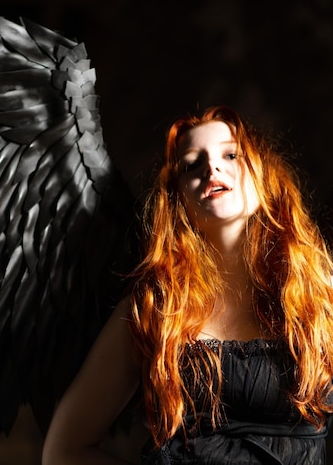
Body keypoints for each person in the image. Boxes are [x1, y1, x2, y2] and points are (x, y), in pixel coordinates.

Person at [42, 105, 333, 464]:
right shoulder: (154, 307)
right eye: (192, 165)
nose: (212, 168)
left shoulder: (321, 293)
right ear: (177, 197)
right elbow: (64, 450)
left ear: (264, 174)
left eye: (231, 154)